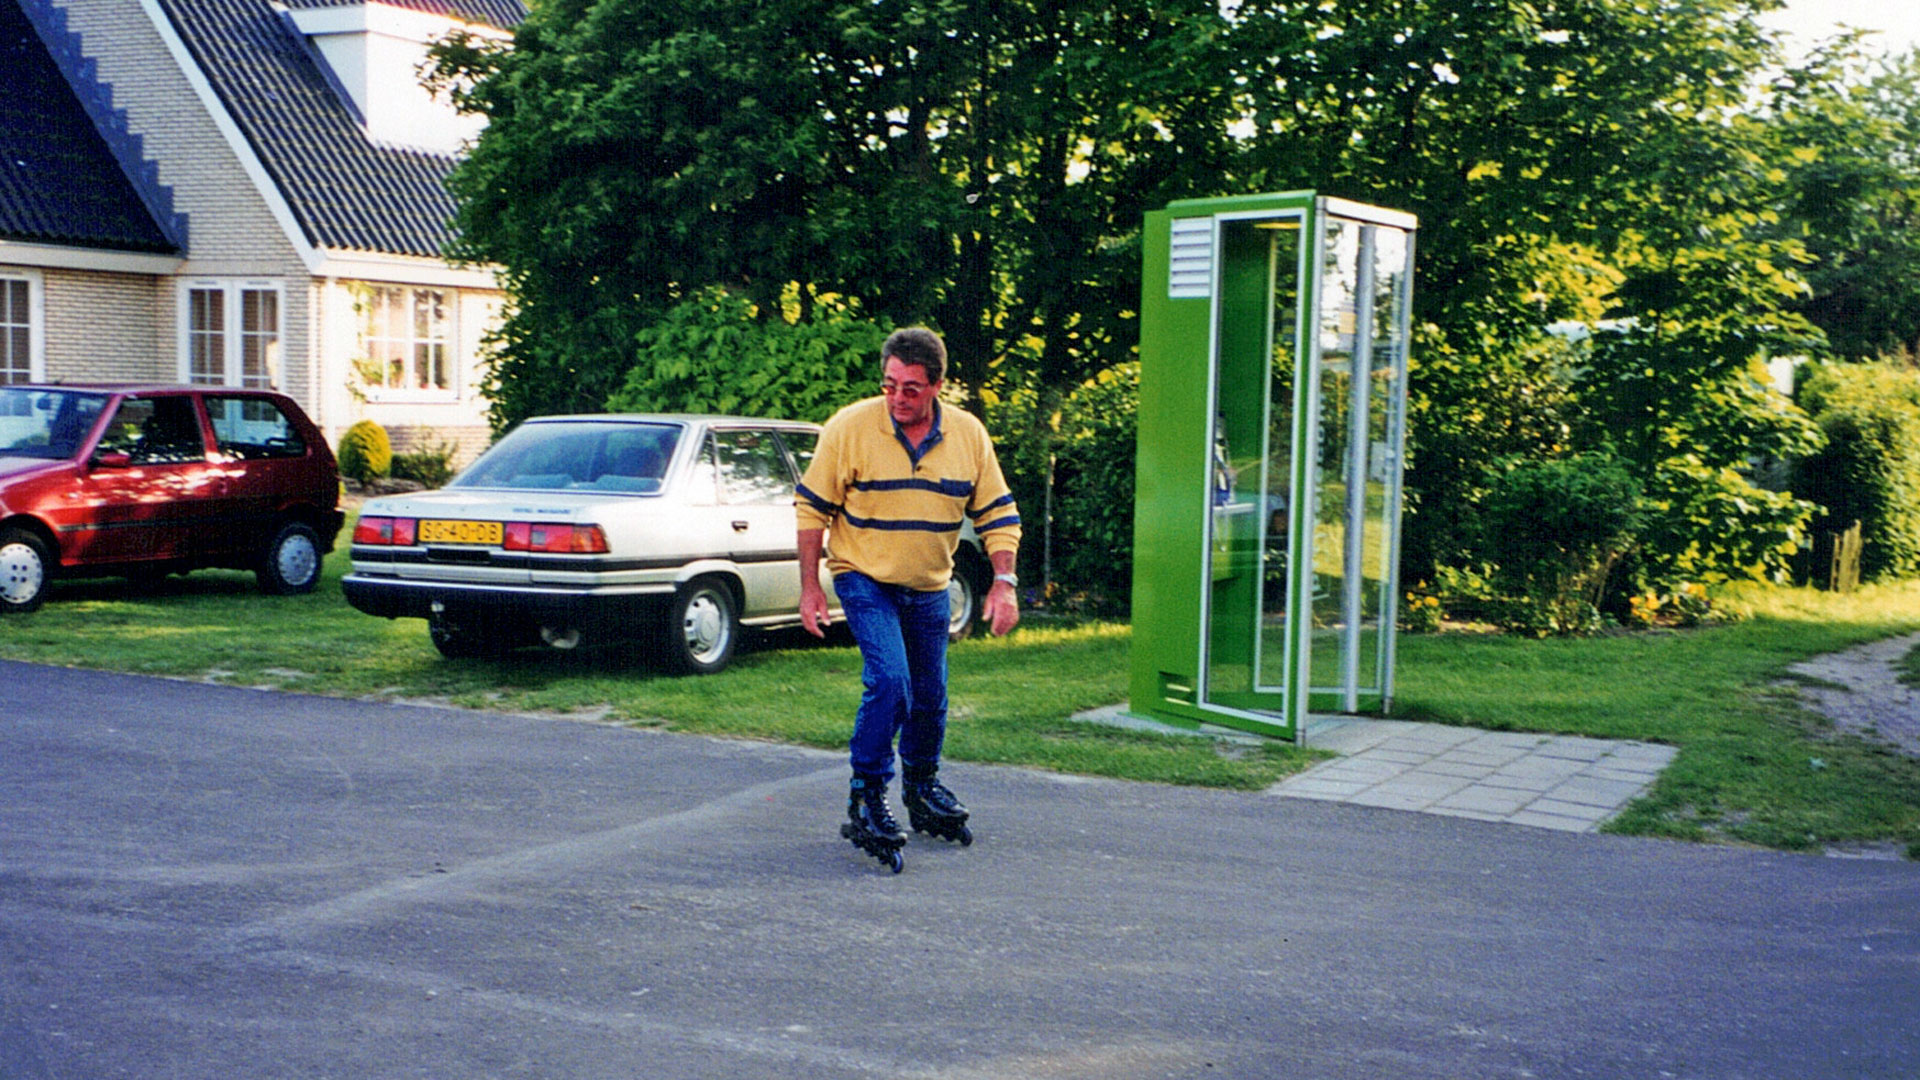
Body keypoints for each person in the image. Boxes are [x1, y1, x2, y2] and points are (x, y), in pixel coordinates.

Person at [795, 327, 1021, 872]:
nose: (898, 397)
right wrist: (808, 589)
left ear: (939, 386)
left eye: (912, 389)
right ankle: (867, 793)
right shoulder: (850, 428)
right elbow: (811, 511)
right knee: (891, 681)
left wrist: (1004, 582)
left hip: (929, 584)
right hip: (863, 576)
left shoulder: (968, 436)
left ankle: (921, 786)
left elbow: (997, 514)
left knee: (930, 695)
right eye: (890, 385)